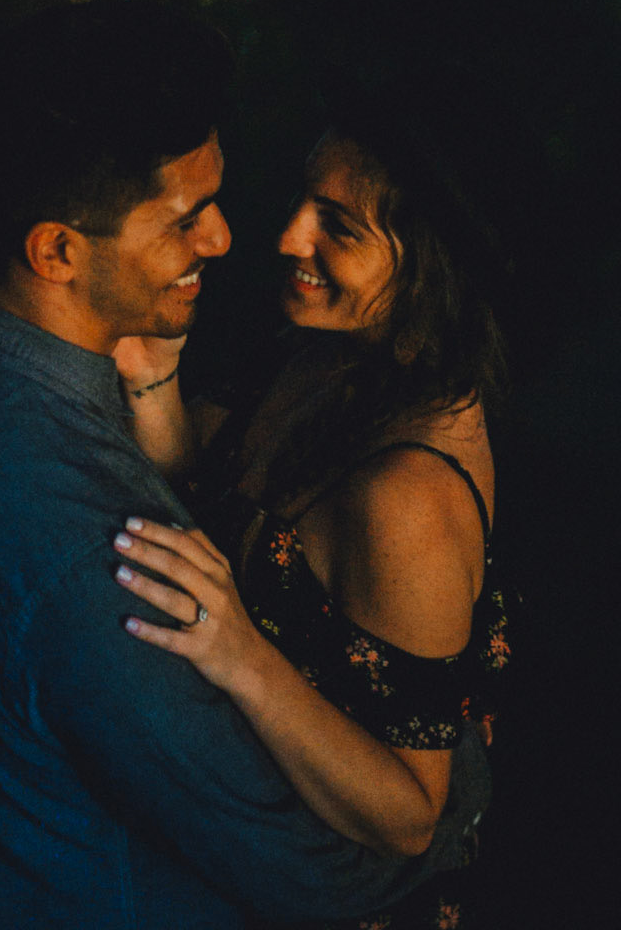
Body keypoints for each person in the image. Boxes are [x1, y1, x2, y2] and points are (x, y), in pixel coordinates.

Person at [0, 5, 489, 929]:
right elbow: (321, 872)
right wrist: (464, 767)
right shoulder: (100, 561)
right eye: (187, 219)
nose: (229, 240)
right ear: (58, 250)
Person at [113, 88, 513, 929]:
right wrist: (154, 376)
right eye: (304, 199)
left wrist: (240, 654)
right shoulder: (340, 354)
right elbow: (226, 492)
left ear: (428, 262)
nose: (289, 236)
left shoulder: (408, 496)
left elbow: (409, 814)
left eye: (341, 227)